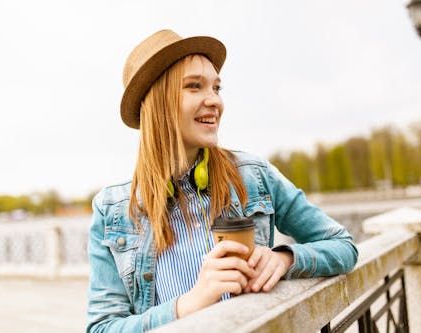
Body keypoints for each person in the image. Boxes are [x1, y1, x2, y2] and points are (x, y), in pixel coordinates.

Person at [87, 29, 358, 333]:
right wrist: (188, 304)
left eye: (216, 87)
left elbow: (344, 247)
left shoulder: (254, 175)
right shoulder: (111, 209)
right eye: (194, 86)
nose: (214, 101)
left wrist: (285, 258)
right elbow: (102, 328)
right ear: (157, 103)